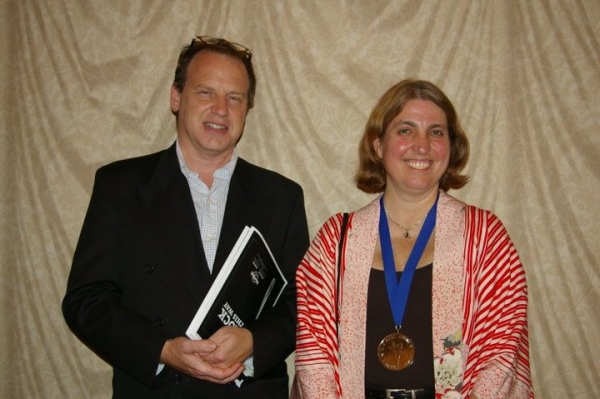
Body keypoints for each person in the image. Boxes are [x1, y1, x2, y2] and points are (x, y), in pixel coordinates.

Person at [62, 35, 310, 399]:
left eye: (235, 98)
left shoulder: (282, 196)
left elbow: (303, 302)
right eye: (206, 92)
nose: (221, 109)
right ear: (176, 97)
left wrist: (253, 342)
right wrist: (162, 350)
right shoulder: (120, 187)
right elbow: (86, 300)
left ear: (247, 108)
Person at [292, 79, 533, 398]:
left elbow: (502, 352)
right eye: (405, 130)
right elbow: (314, 357)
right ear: (378, 145)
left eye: (436, 132)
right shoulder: (336, 240)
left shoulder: (485, 237)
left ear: (451, 146)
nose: (422, 145)